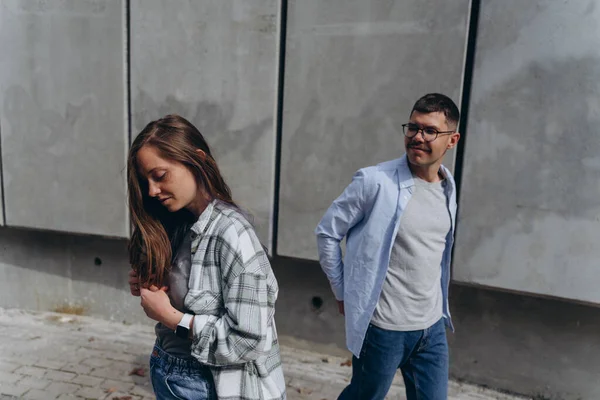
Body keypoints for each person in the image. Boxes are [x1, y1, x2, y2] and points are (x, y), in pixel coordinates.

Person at [126, 114, 286, 400]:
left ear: (197, 160)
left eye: (160, 175)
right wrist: (152, 283)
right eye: (145, 180)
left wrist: (170, 316)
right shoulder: (179, 223)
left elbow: (248, 340)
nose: (151, 190)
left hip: (206, 383)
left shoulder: (232, 234)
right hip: (169, 369)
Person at [315, 93, 461, 400]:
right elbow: (327, 233)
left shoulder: (448, 186)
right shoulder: (374, 181)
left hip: (431, 329)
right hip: (383, 329)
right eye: (413, 127)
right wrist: (342, 292)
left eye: (430, 131)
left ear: (452, 140)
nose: (417, 137)